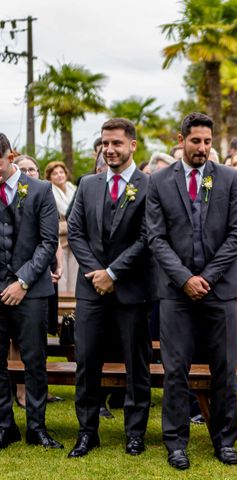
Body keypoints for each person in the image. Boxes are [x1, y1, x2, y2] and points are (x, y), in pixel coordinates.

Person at [146, 112, 237, 470]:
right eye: (195, 141)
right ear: (181, 139)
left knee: (223, 367)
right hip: (176, 293)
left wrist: (208, 276)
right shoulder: (158, 181)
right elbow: (155, 237)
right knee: (175, 369)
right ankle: (175, 442)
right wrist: (184, 278)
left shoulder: (231, 178)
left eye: (207, 142)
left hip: (221, 290)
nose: (202, 148)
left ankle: (224, 440)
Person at [67, 118, 152, 458]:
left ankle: (135, 434)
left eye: (117, 143)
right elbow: (75, 232)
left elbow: (148, 238)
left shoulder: (150, 185)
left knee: (137, 364)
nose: (110, 149)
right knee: (87, 362)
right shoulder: (88, 184)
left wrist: (114, 273)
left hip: (132, 291)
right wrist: (97, 274)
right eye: (105, 143)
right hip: (91, 291)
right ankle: (88, 433)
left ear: (133, 145)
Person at [0, 133, 63, 450]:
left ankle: (37, 427)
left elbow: (48, 242)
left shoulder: (40, 190)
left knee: (35, 361)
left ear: (10, 158)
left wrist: (21, 281)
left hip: (32, 291)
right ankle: (4, 426)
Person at [45, 161, 78, 294]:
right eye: (54, 173)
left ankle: (74, 312)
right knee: (62, 274)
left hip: (75, 238)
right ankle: (61, 311)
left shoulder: (73, 188)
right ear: (49, 177)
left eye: (61, 172)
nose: (59, 175)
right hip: (59, 239)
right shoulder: (48, 191)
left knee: (75, 274)